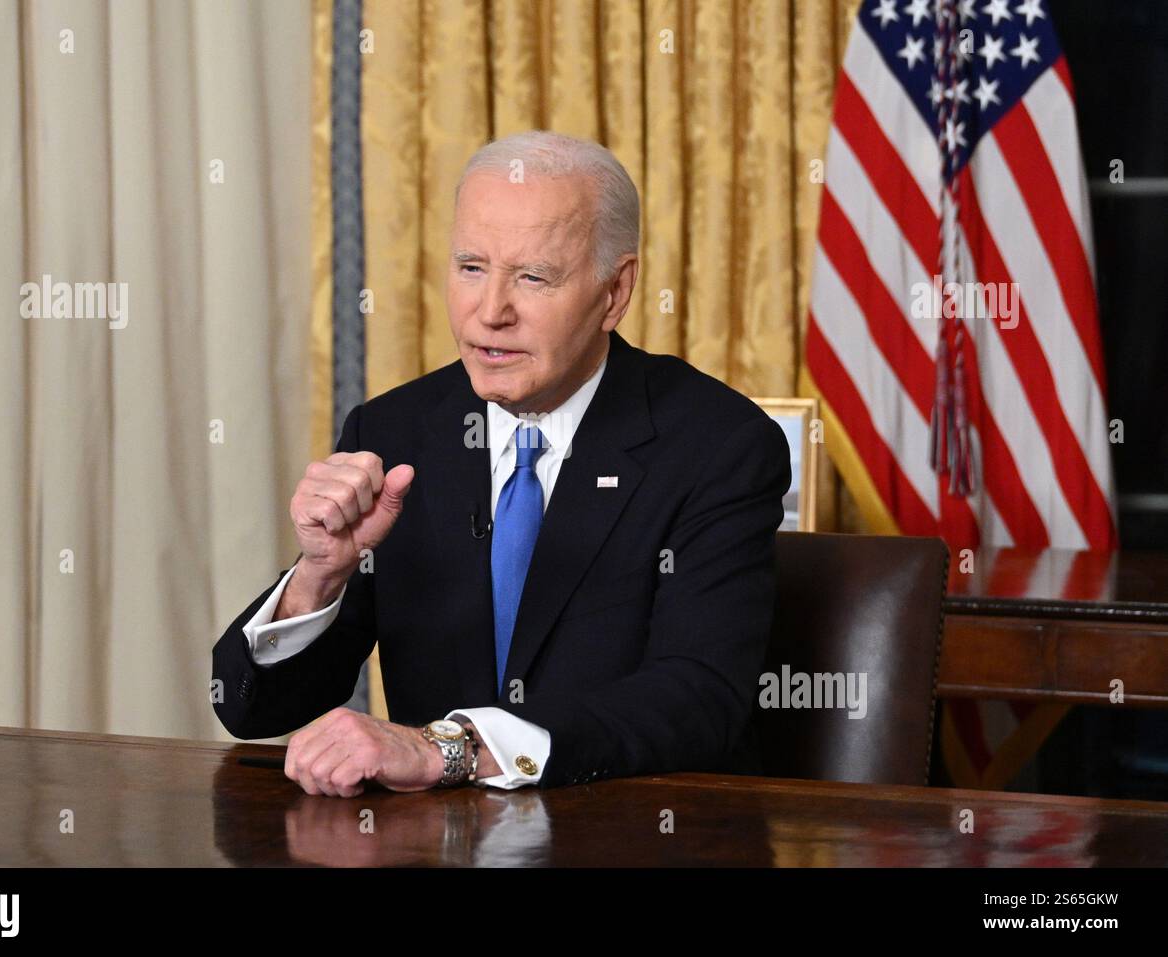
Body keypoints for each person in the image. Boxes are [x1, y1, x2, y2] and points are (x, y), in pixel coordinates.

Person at [211, 129, 790, 797]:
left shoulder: (717, 443)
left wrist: (452, 748)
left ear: (615, 291)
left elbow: (699, 696)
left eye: (533, 276)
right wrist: (320, 576)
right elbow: (252, 708)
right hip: (440, 846)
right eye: (471, 267)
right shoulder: (394, 430)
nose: (490, 313)